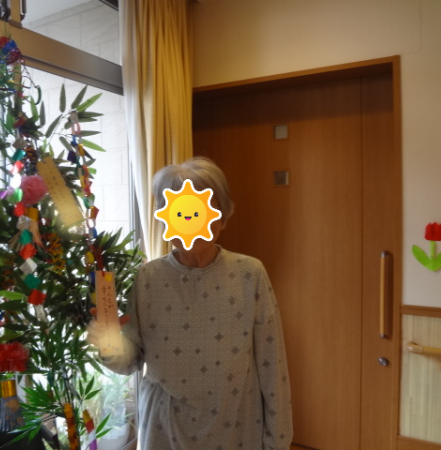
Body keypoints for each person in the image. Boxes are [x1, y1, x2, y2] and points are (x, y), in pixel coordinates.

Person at [87, 157, 293, 450]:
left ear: (222, 217)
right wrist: (108, 343)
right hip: (164, 428)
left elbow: (272, 364)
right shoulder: (147, 278)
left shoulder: (250, 274)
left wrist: (278, 441)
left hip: (237, 424)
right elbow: (130, 362)